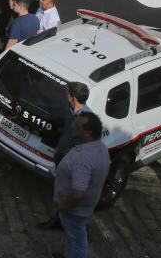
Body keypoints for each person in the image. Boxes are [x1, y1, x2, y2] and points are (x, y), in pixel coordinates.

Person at [52, 112, 110, 258]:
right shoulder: (100, 147)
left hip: (74, 210)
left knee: (77, 241)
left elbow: (78, 193)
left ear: (88, 133)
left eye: (77, 126)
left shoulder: (84, 158)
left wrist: (64, 204)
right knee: (74, 237)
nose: (73, 127)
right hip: (84, 208)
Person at [38, 82, 91, 230]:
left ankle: (68, 222)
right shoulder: (72, 112)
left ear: (73, 97)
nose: (65, 96)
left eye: (68, 93)